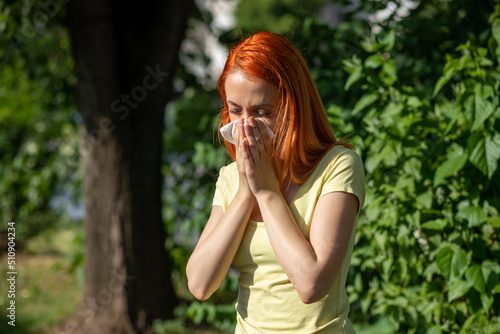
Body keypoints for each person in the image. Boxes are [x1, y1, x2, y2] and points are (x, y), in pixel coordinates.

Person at [186, 31, 365, 333]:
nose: (245, 125)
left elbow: (311, 284)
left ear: (293, 106)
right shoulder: (231, 178)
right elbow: (200, 284)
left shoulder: (337, 166)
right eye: (235, 110)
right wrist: (246, 193)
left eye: (262, 112)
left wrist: (267, 194)